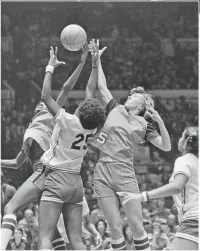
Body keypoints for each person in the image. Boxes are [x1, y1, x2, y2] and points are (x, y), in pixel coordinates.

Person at [1, 43, 89, 251]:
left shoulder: (51, 115)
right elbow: (16, 163)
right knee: (51, 232)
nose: (41, 104)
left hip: (48, 172)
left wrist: (78, 63)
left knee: (11, 207)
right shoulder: (32, 130)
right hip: (59, 177)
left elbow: (65, 88)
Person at [91, 41, 171, 250]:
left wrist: (160, 122)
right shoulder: (115, 109)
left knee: (136, 226)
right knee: (115, 227)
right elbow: (101, 87)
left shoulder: (144, 125)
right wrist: (97, 60)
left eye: (133, 95)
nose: (129, 95)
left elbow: (166, 147)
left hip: (124, 172)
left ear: (142, 104)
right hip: (102, 170)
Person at [39, 45, 105, 250]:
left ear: (81, 111)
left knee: (45, 237)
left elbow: (46, 97)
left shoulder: (67, 121)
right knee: (77, 240)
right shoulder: (93, 129)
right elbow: (89, 90)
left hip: (57, 176)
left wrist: (49, 68)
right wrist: (92, 63)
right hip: (76, 183)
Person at [119, 126, 198, 250]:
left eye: (182, 136)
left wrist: (143, 196)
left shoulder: (185, 159)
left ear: (185, 143)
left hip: (193, 220)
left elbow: (177, 186)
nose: (179, 138)